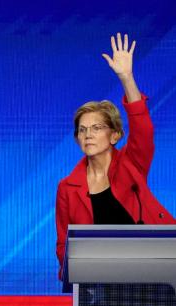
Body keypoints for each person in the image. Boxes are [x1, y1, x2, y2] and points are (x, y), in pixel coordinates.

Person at [55, 33, 175, 274]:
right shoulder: (67, 188)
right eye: (82, 129)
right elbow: (63, 246)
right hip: (103, 282)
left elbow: (142, 128)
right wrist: (76, 272)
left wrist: (126, 77)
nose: (88, 134)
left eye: (97, 128)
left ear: (114, 135)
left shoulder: (131, 165)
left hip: (157, 267)